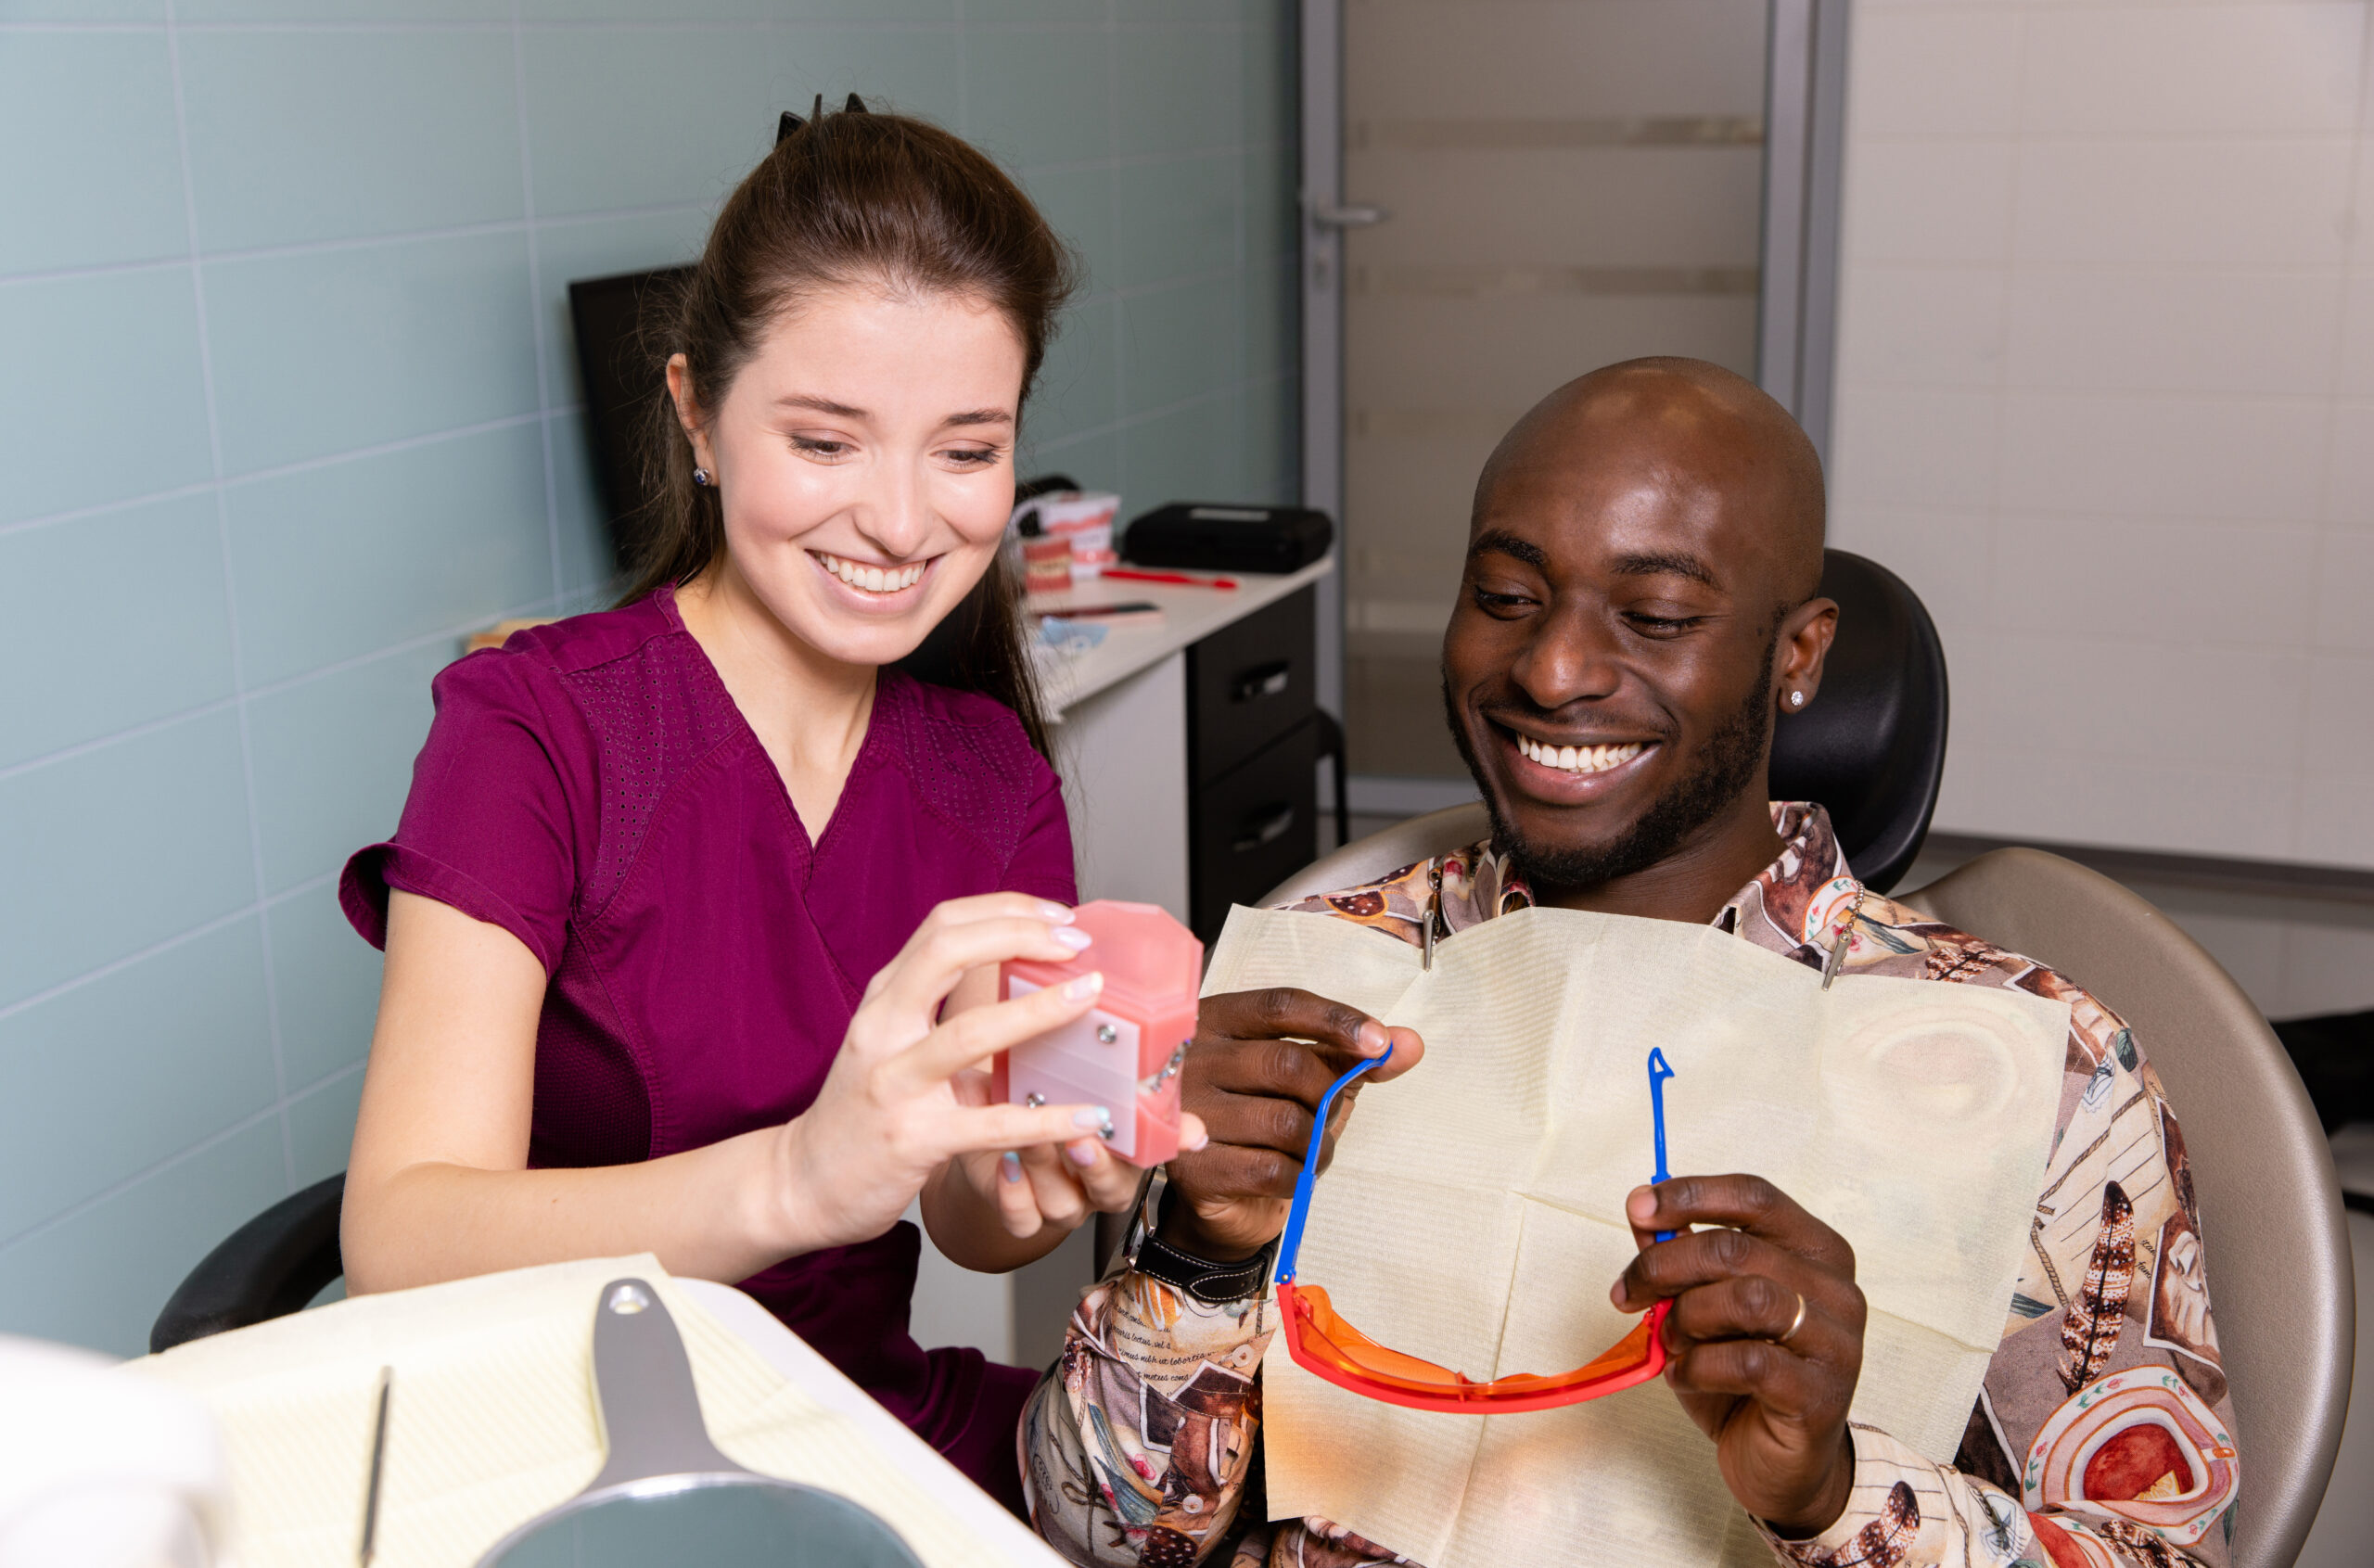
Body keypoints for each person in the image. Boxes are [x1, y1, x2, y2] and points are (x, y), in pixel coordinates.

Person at [1023, 359, 2240, 1568]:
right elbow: (1090, 1539)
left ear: (1797, 654)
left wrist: (1835, 1491)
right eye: (1505, 594)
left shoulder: (2033, 1072)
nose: (1551, 671)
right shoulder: (1321, 984)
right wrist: (1199, 1254)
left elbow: (2159, 1554)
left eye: (1655, 618)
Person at [336, 102, 1196, 1513]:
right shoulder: (537, 730)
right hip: (560, 1465)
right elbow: (400, 1237)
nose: (906, 523)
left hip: (854, 1428)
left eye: (967, 450)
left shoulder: (988, 774)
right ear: (698, 416)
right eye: (828, 441)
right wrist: (798, 1180)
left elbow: (972, 1233)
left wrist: (1029, 1165)